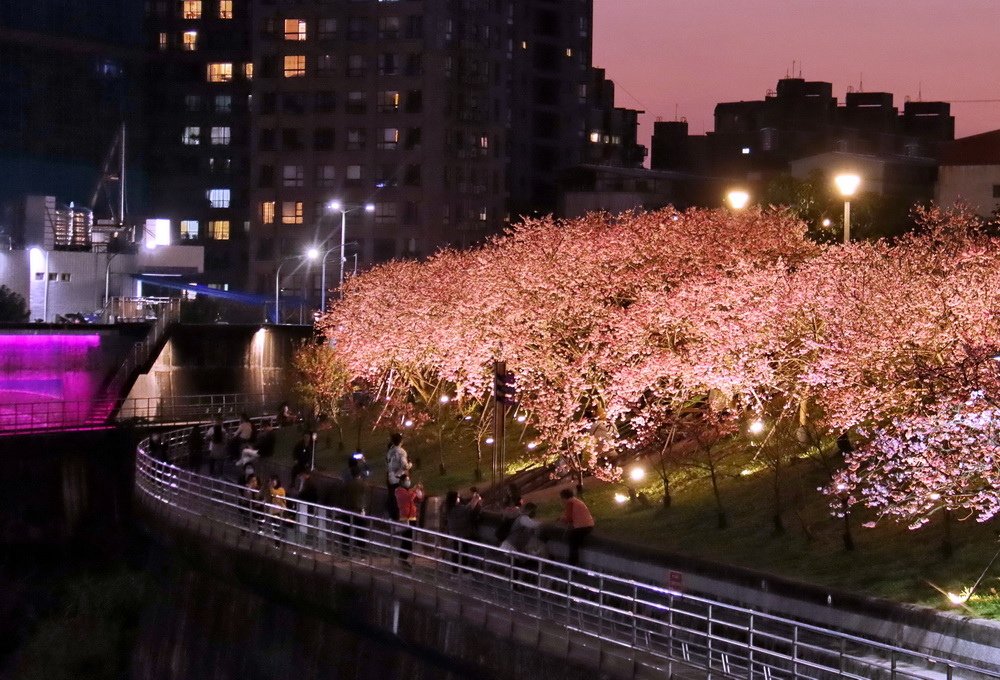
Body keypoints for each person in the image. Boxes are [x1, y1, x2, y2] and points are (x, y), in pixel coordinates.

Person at [559, 488, 595, 566]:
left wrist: (560, 519)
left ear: (564, 497)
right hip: (588, 525)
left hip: (581, 527)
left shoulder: (570, 503)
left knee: (573, 545)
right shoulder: (577, 501)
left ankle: (572, 565)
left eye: (561, 498)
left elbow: (568, 518)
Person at [394, 474, 423, 564]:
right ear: (402, 482)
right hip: (405, 518)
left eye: (409, 480)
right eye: (406, 480)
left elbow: (419, 498)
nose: (408, 482)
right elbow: (408, 497)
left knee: (410, 539)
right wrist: (414, 490)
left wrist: (418, 490)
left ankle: (404, 558)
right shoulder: (399, 491)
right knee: (407, 539)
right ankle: (402, 558)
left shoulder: (409, 491)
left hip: (412, 518)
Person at [385, 433, 411, 521]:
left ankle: (392, 516)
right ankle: (401, 518)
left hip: (390, 478)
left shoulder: (390, 451)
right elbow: (404, 466)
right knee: (401, 499)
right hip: (399, 479)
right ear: (401, 441)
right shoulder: (401, 452)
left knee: (392, 497)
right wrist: (410, 464)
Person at [266, 474, 287, 547]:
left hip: (280, 511)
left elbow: (275, 494)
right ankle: (277, 544)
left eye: (274, 480)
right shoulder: (269, 489)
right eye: (271, 481)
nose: (272, 482)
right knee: (275, 528)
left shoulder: (281, 489)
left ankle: (283, 544)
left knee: (280, 528)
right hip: (273, 511)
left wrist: (270, 487)